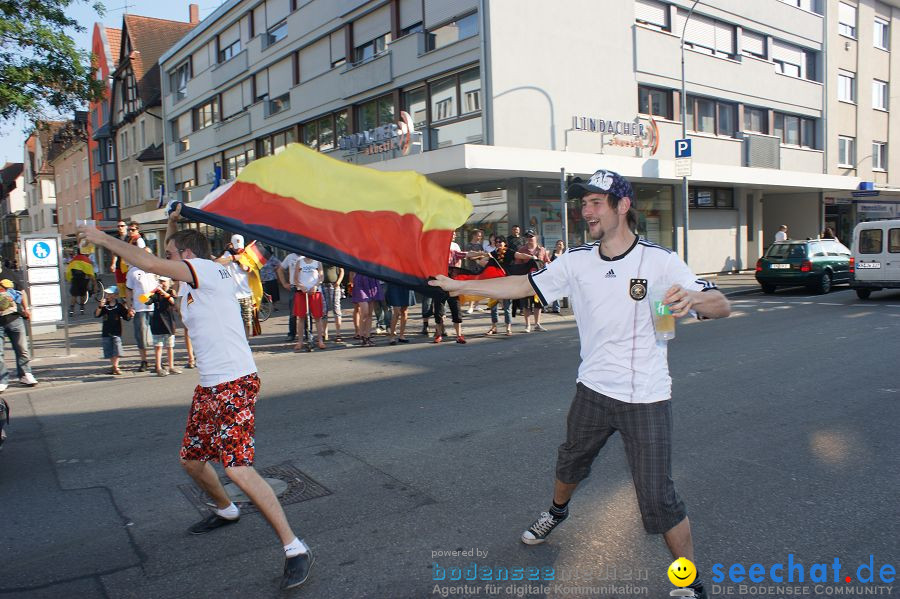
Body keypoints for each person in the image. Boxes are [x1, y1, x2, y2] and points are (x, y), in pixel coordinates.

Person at [429, 169, 730, 599]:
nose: (585, 211)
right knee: (570, 463)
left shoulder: (661, 262)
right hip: (592, 390)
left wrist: (695, 299)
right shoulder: (577, 260)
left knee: (660, 499)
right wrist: (460, 284)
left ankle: (691, 583)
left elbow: (721, 305)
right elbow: (522, 284)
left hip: (645, 398)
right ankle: (556, 511)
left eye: (595, 203)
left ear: (622, 206)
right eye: (583, 203)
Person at [78, 206, 314, 590]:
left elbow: (150, 260)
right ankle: (226, 509)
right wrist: (173, 223)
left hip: (235, 381)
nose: (163, 263)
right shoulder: (198, 274)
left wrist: (104, 239)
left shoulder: (204, 270)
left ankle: (295, 548)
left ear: (186, 256)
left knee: (238, 468)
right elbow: (163, 255)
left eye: (170, 255)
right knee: (191, 461)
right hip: (210, 385)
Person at [125, 251, 158, 372]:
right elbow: (128, 289)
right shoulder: (133, 271)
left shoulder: (156, 269)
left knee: (157, 335)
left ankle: (158, 362)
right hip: (140, 308)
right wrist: (129, 306)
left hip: (155, 307)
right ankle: (144, 361)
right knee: (141, 336)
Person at [0, 279, 37, 388]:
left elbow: (22, 291)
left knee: (22, 349)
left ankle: (25, 374)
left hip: (14, 319)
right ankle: (2, 379)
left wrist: (26, 309)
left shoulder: (6, 274)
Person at [512, 229, 550, 332]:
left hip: (539, 281)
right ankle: (527, 325)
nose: (529, 239)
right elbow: (517, 265)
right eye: (527, 237)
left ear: (536, 237)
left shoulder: (542, 250)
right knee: (526, 304)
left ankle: (537, 324)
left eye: (531, 236)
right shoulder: (521, 250)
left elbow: (547, 262)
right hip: (527, 281)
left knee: (538, 303)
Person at [219, 235, 254, 338]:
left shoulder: (246, 254)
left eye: (240, 246)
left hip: (246, 294)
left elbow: (253, 270)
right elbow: (216, 262)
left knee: (247, 322)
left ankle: (246, 342)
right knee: (233, 323)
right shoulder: (226, 254)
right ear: (231, 244)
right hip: (232, 295)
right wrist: (232, 258)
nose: (239, 248)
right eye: (236, 246)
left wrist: (246, 268)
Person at [146, 278, 180, 377]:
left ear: (169, 283)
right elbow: (144, 300)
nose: (162, 283)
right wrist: (152, 292)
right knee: (158, 347)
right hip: (157, 323)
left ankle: (171, 366)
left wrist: (164, 292)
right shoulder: (156, 294)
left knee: (170, 347)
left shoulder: (171, 292)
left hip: (169, 324)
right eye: (160, 281)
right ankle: (158, 367)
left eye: (164, 281)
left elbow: (172, 301)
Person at [291, 256, 326, 351]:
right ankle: (300, 342)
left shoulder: (317, 262)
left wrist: (316, 286)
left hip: (315, 292)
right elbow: (295, 279)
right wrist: (301, 286)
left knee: (318, 317)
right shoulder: (299, 262)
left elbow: (321, 277)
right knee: (301, 317)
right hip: (301, 293)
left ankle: (320, 340)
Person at [95, 285, 131, 375]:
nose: (107, 296)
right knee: (109, 350)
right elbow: (97, 315)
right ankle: (114, 366)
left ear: (115, 296)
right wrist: (100, 306)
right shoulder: (104, 306)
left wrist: (130, 313)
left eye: (110, 294)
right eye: (107, 294)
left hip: (116, 331)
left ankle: (115, 366)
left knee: (117, 349)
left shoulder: (119, 306)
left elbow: (126, 317)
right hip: (106, 331)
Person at [349, 272, 381, 347]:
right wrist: (351, 283)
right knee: (365, 312)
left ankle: (367, 336)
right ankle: (361, 335)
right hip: (360, 281)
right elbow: (351, 270)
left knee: (370, 313)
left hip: (371, 280)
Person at [66, 249, 97, 316]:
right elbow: (90, 273)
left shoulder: (73, 260)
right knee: (82, 294)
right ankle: (82, 308)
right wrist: (94, 283)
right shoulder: (86, 260)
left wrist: (69, 279)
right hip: (83, 279)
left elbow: (68, 271)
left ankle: (71, 310)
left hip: (75, 279)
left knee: (74, 295)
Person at [277, 252, 301, 341]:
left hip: (306, 287)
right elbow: (280, 270)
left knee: (307, 313)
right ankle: (292, 334)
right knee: (293, 312)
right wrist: (284, 283)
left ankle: (307, 333)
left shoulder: (307, 256)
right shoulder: (290, 257)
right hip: (294, 287)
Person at [320, 262, 344, 342]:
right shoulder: (320, 255)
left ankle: (338, 333)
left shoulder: (334, 255)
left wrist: (338, 282)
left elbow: (342, 270)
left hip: (334, 284)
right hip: (322, 285)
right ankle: (325, 333)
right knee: (324, 309)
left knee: (336, 308)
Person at [548, 240, 566, 313]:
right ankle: (556, 308)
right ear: (556, 246)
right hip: (554, 276)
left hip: (563, 276)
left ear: (563, 246)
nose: (559, 246)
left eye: (561, 244)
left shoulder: (565, 254)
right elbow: (549, 263)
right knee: (555, 292)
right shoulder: (552, 254)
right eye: (558, 244)